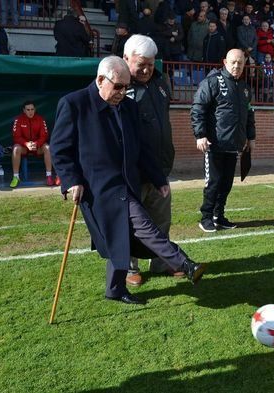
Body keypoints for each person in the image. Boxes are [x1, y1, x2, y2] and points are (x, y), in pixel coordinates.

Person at [50, 56, 205, 304]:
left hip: (127, 183)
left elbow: (142, 148)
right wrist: (71, 181)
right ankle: (185, 264)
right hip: (97, 189)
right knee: (143, 226)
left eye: (126, 86)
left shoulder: (129, 107)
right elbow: (60, 149)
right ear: (101, 80)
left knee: (119, 235)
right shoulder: (74, 104)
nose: (122, 92)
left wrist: (158, 178)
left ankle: (115, 289)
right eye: (118, 86)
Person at [123, 34, 183, 286]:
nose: (147, 69)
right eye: (141, 64)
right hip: (132, 171)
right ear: (126, 59)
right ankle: (128, 267)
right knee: (129, 223)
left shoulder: (160, 83)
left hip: (160, 167)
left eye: (151, 63)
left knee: (160, 220)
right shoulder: (120, 87)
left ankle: (161, 262)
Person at [191, 48, 256, 232]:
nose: (237, 65)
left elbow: (249, 114)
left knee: (226, 184)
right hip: (214, 144)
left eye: (240, 63)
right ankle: (206, 217)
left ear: (244, 65)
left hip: (234, 145)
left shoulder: (244, 88)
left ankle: (219, 216)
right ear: (225, 62)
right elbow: (197, 109)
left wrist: (251, 137)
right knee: (213, 183)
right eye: (233, 62)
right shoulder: (212, 82)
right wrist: (200, 135)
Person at [10, 101, 58, 188]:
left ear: (35, 109)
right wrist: (26, 143)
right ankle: (15, 177)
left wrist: (36, 143)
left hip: (38, 147)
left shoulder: (40, 119)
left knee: (47, 147)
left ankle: (49, 176)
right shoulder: (18, 119)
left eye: (32, 109)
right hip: (24, 148)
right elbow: (16, 136)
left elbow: (44, 135)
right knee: (16, 148)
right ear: (24, 110)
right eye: (28, 110)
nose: (30, 112)